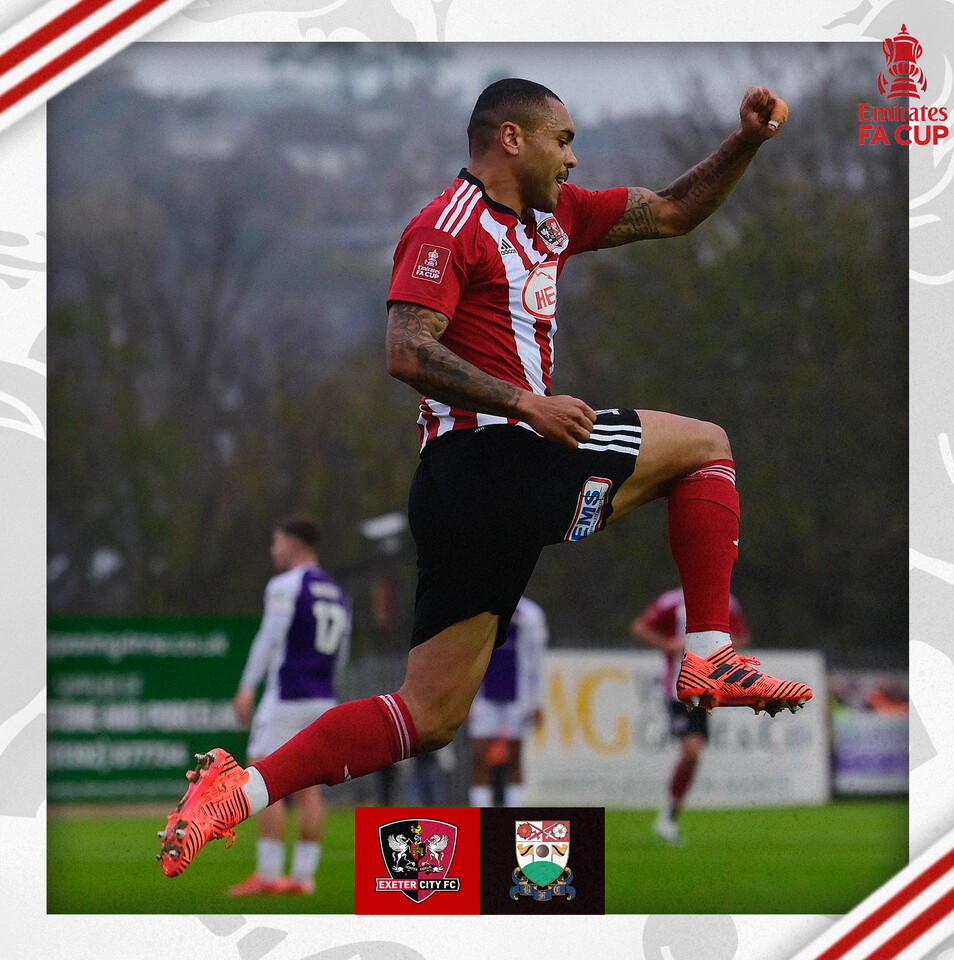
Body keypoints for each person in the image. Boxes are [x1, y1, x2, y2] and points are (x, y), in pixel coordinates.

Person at [157, 77, 813, 878]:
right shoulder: (445, 227)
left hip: (468, 489)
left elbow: (673, 210)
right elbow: (406, 349)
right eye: (563, 139)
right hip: (488, 461)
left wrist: (745, 141)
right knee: (706, 446)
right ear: (511, 138)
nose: (574, 157)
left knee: (428, 717)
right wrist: (523, 403)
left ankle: (239, 791)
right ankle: (709, 652)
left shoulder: (557, 218)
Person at [224, 518, 351, 895]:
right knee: (310, 791)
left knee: (263, 778)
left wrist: (247, 687)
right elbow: (341, 654)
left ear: (293, 545)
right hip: (324, 698)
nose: (272, 550)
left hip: (287, 697)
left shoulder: (286, 585)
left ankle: (268, 874)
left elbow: (270, 637)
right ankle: (303, 878)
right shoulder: (338, 592)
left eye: (276, 542)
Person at [632, 587, 750, 845]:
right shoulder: (671, 601)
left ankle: (669, 816)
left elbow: (741, 637)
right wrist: (668, 645)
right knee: (692, 751)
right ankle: (668, 817)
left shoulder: (727, 601)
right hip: (678, 690)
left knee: (694, 756)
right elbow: (640, 627)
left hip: (707, 689)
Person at [468, 595, 547, 807]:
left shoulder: (530, 614)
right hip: (484, 695)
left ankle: (515, 819)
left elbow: (536, 661)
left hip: (517, 695)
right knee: (480, 758)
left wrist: (537, 701)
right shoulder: (477, 608)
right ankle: (480, 817)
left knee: (515, 758)